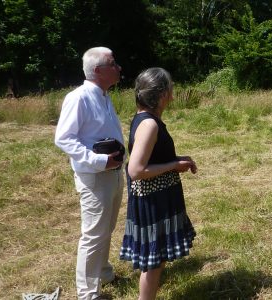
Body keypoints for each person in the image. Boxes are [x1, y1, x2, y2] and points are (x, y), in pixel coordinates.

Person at [119, 67, 197, 300]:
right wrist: (174, 165)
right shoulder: (149, 124)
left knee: (157, 259)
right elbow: (136, 170)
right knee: (153, 263)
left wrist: (175, 161)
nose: (173, 93)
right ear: (163, 94)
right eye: (171, 88)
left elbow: (150, 160)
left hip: (157, 198)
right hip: (154, 202)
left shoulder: (146, 119)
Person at [54, 47, 124, 299]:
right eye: (113, 64)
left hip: (113, 174)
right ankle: (87, 294)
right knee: (93, 234)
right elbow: (64, 139)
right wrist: (98, 160)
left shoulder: (104, 96)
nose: (118, 68)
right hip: (95, 177)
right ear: (98, 71)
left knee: (107, 227)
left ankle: (103, 273)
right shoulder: (79, 97)